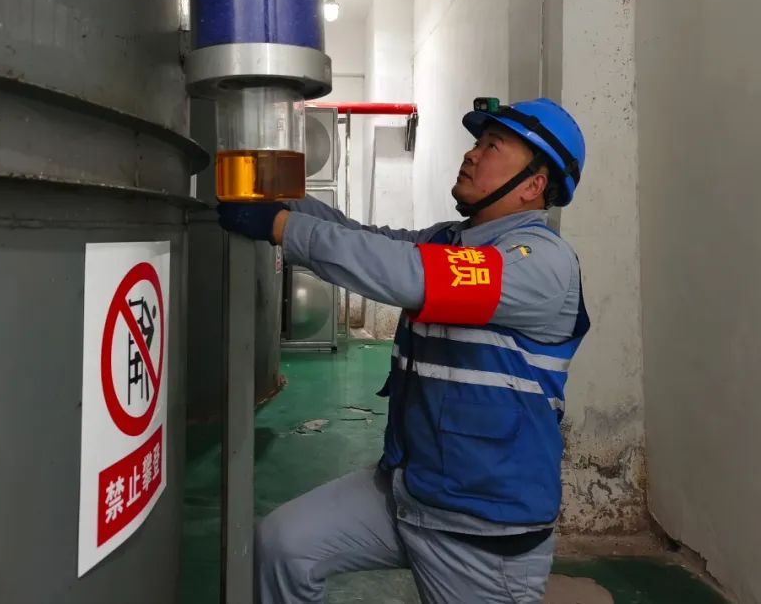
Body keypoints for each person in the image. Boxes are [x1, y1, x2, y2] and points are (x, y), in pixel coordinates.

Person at [217, 96, 589, 604]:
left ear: (533, 185)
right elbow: (366, 239)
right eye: (477, 142)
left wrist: (283, 229)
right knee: (282, 545)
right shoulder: (451, 240)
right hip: (407, 491)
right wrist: (284, 206)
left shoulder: (541, 262)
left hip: (481, 524)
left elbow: (414, 273)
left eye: (492, 146)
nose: (472, 154)